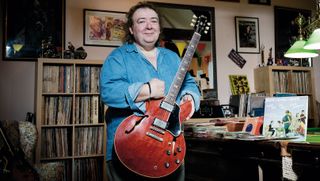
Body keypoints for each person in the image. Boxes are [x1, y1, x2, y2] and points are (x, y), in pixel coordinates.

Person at [100, 2, 201, 181]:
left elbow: (190, 84)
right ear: (131, 29)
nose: (149, 26)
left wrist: (189, 98)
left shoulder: (172, 57)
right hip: (129, 151)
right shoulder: (118, 57)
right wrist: (146, 90)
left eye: (153, 21)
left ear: (159, 27)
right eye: (141, 21)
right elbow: (108, 92)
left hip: (170, 149)